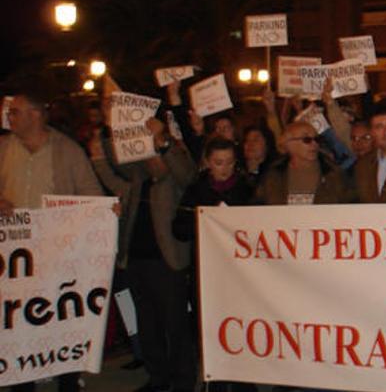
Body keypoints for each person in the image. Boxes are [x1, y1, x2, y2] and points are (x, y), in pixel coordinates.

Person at [0, 91, 106, 392]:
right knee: (18, 324)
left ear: (35, 114)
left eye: (16, 111)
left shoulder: (66, 150)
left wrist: (103, 213)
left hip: (56, 256)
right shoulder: (3, 147)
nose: (10, 116)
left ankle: (68, 381)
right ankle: (22, 382)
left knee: (61, 321)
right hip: (15, 258)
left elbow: (92, 195)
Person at [89, 117, 198, 392]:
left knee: (175, 325)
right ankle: (158, 376)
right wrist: (104, 142)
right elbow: (114, 172)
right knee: (147, 323)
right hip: (136, 259)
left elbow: (187, 172)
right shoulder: (138, 180)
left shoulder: (175, 181)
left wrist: (162, 140)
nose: (150, 156)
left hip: (167, 260)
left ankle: (183, 380)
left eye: (154, 151)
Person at [172, 138, 255, 392]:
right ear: (208, 162)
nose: (225, 168)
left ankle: (243, 381)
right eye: (219, 163)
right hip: (207, 274)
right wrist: (204, 219)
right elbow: (178, 229)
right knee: (210, 329)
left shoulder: (247, 189)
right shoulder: (195, 190)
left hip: (240, 273)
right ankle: (215, 380)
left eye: (230, 162)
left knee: (242, 327)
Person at [254, 121, 351, 205]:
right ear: (288, 144)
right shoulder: (273, 174)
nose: (314, 144)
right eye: (306, 140)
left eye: (317, 139)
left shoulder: (333, 173)